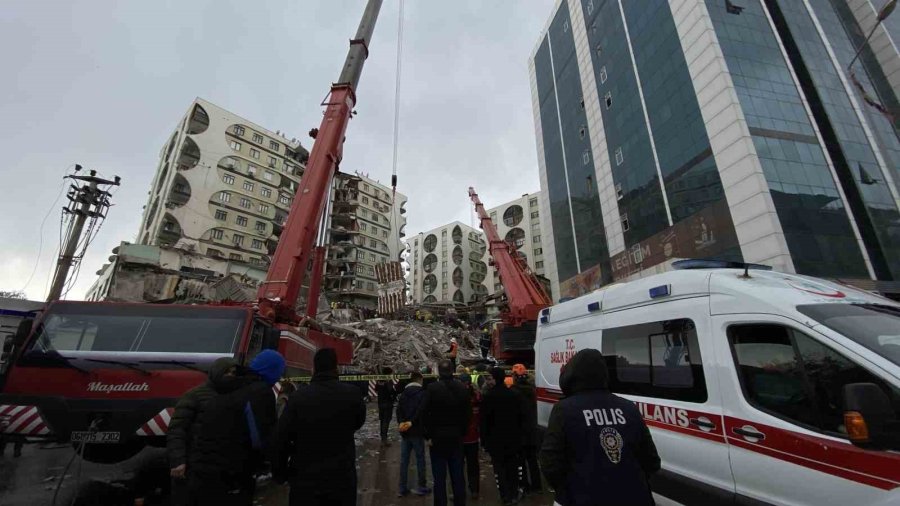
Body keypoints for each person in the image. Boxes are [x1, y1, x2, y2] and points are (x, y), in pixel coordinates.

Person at [540, 349, 661, 506]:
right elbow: (651, 461)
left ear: (572, 375)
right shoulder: (629, 408)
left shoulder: (564, 410)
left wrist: (569, 490)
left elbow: (550, 462)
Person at [188, 351, 284, 506]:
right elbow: (260, 439)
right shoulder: (260, 391)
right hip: (232, 474)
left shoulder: (231, 385)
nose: (279, 377)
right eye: (279, 372)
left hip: (201, 469)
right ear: (271, 370)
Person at [275, 348, 366, 506]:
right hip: (341, 478)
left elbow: (281, 437)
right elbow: (357, 423)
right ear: (336, 367)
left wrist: (281, 473)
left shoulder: (298, 398)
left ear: (314, 368)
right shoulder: (353, 394)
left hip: (305, 480)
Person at [167, 357, 239, 506]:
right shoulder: (194, 395)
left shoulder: (233, 396)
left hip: (219, 467)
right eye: (227, 372)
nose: (231, 376)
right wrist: (178, 460)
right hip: (194, 465)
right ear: (217, 372)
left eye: (233, 373)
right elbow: (177, 429)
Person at [417, 359, 470, 506]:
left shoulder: (432, 389)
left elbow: (423, 413)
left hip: (437, 438)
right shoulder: (461, 388)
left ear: (439, 372)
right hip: (456, 437)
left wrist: (427, 435)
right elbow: (468, 413)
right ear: (452, 371)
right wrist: (463, 432)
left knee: (439, 477)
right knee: (458, 474)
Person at [481, 367, 527, 506]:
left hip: (495, 441)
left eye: (490, 378)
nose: (488, 381)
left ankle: (505, 495)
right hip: (513, 439)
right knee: (512, 467)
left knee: (499, 469)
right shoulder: (514, 395)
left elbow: (484, 422)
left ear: (496, 379)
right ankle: (513, 493)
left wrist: (484, 441)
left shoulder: (488, 397)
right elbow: (521, 418)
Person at [396, 371, 431, 497]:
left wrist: (401, 423)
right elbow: (422, 411)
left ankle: (402, 487)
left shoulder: (403, 394)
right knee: (420, 459)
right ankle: (421, 486)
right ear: (420, 379)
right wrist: (413, 422)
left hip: (405, 432)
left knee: (404, 460)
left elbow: (398, 410)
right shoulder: (423, 394)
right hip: (417, 431)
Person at [509, 364, 541, 494]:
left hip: (520, 432)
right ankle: (537, 486)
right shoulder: (532, 390)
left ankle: (524, 485)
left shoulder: (513, 392)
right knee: (533, 460)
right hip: (532, 430)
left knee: (520, 461)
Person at [459, 375, 482, 500]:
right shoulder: (477, 398)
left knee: (458, 465)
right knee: (473, 466)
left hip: (460, 438)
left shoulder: (457, 398)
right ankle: (474, 490)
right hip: (473, 437)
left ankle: (460, 490)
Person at [376, 367, 398, 446]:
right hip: (388, 403)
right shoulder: (388, 380)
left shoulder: (380, 379)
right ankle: (384, 439)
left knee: (382, 421)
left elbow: (376, 388)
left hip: (380, 403)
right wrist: (395, 393)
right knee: (386, 421)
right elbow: (390, 391)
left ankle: (383, 438)